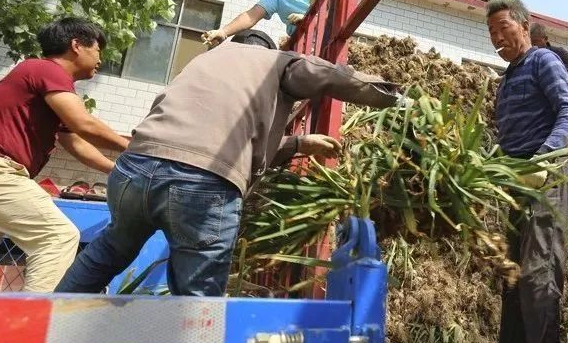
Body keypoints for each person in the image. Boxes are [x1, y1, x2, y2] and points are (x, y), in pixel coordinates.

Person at [55, 31, 409, 296]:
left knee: (110, 249)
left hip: (135, 166)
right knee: (197, 300)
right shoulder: (275, 62)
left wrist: (300, 143)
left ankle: (46, 329)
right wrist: (390, 97)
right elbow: (322, 73)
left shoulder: (203, 61)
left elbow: (225, 136)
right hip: (201, 183)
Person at [0, 17, 129, 292]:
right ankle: (30, 327)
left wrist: (116, 169)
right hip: (3, 172)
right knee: (57, 236)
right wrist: (135, 148)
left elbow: (75, 141)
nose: (100, 59)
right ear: (76, 45)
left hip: (9, 173)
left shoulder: (42, 79)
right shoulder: (47, 70)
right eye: (98, 49)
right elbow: (84, 124)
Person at [487, 0, 568, 343]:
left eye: (504, 28)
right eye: (491, 32)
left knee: (538, 274)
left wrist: (545, 156)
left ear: (525, 27)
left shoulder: (543, 60)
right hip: (518, 183)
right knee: (514, 277)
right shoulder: (506, 80)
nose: (497, 38)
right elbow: (508, 136)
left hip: (548, 177)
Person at [529, 22, 568, 108]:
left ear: (545, 39)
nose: (534, 46)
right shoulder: (526, 58)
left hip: (557, 104)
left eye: (536, 42)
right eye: (531, 43)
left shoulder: (558, 53)